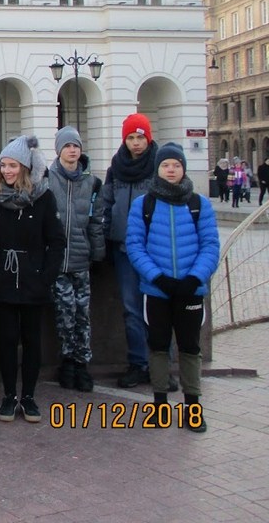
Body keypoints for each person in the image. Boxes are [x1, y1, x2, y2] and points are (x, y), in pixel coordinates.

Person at [125, 142, 219, 432]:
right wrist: (158, 277)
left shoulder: (199, 204)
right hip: (157, 290)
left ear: (183, 169)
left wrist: (194, 279)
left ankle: (193, 407)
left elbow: (210, 246)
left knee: (190, 349)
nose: (171, 170)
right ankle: (160, 405)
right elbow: (135, 245)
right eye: (166, 165)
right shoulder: (144, 204)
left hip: (191, 290)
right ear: (158, 169)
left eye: (176, 165)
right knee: (158, 346)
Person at [0, 136, 65, 423]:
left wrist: (46, 276)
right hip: (3, 278)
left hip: (33, 280)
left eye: (13, 165)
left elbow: (56, 241)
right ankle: (8, 395)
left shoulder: (43, 197)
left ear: (25, 168)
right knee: (5, 340)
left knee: (31, 340)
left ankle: (28, 396)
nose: (7, 171)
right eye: (3, 165)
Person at [101, 113, 161, 389]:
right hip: (124, 248)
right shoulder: (116, 167)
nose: (136, 143)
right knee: (131, 309)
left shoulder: (160, 165)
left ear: (148, 138)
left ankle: (162, 365)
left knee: (160, 309)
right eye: (131, 138)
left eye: (140, 137)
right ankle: (138, 363)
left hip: (155, 250)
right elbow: (106, 203)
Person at [47, 127, 105, 393]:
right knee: (64, 314)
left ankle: (82, 364)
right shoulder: (47, 179)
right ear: (59, 149)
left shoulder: (91, 183)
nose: (72, 150)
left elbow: (96, 221)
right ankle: (67, 362)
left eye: (76, 146)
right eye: (67, 146)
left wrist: (98, 251)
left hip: (81, 260)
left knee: (83, 314)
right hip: (57, 261)